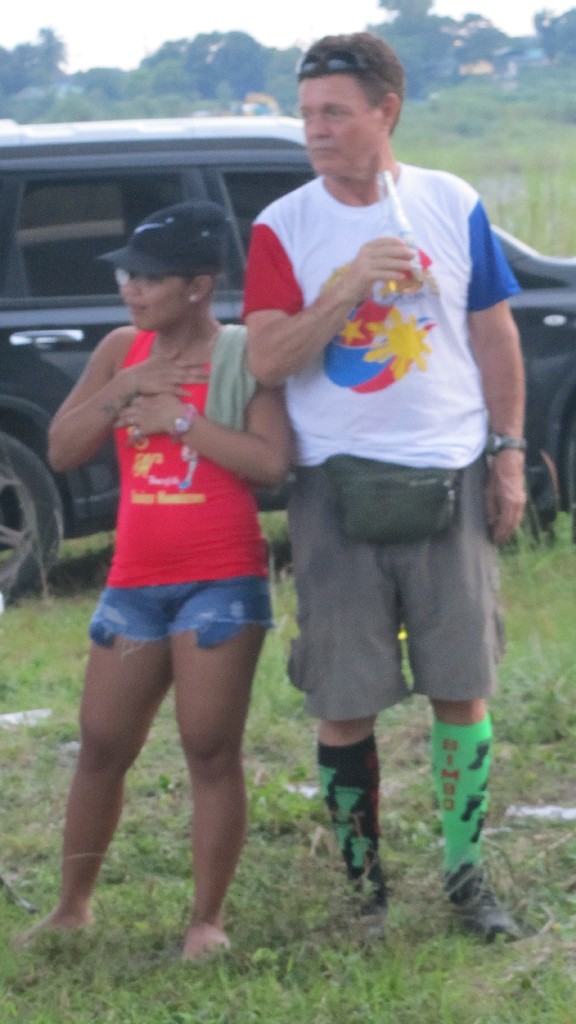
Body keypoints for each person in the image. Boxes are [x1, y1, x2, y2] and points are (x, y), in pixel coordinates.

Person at [243, 33, 526, 940]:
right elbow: (270, 360)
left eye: (334, 112)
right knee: (343, 694)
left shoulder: (451, 201)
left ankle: (467, 881)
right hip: (335, 484)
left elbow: (493, 337)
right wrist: (347, 283)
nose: (315, 130)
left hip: (449, 470)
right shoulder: (283, 226)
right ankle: (364, 891)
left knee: (462, 684)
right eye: (307, 114)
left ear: (386, 111)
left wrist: (508, 453)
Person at [18, 200, 292, 959]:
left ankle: (206, 921)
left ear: (198, 286)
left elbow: (272, 463)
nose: (130, 290)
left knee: (209, 748)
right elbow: (63, 448)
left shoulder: (244, 353)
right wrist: (127, 387)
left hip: (221, 581)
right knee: (102, 744)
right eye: (126, 278)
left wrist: (180, 420)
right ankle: (71, 908)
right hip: (133, 583)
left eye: (147, 278)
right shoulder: (121, 348)